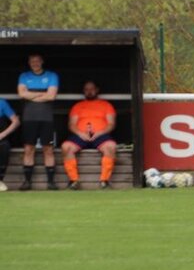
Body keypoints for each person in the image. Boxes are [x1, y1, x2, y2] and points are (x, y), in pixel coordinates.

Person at [60, 80, 117, 190]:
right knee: (66, 147)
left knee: (111, 146)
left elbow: (111, 124)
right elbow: (71, 124)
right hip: (81, 135)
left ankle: (104, 181)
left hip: (100, 135)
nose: (89, 91)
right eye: (86, 89)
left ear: (97, 90)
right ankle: (74, 181)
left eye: (92, 89)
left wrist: (100, 132)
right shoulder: (78, 106)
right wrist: (80, 134)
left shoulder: (106, 105)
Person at [17, 52, 59, 190]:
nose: (35, 63)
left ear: (42, 61)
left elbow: (51, 96)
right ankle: (27, 182)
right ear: (29, 63)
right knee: (29, 148)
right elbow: (21, 94)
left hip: (46, 118)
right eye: (32, 61)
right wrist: (42, 94)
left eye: (37, 61)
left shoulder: (52, 76)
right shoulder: (24, 76)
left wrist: (31, 95)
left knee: (48, 149)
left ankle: (51, 182)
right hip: (29, 118)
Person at [0, 97, 21, 192]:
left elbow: (16, 122)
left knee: (4, 146)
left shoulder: (2, 102)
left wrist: (2, 135)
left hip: (1, 139)